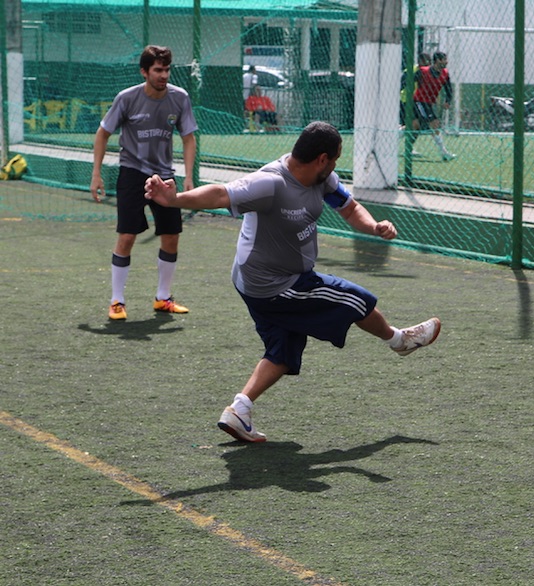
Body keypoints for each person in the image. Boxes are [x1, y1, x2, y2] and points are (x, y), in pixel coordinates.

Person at [143, 121, 442, 442]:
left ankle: (238, 410)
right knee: (355, 300)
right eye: (336, 160)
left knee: (284, 350)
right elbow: (220, 194)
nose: (336, 167)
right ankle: (400, 341)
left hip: (268, 279)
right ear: (322, 158)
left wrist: (374, 226)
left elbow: (350, 208)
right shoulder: (270, 183)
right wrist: (174, 200)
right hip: (271, 284)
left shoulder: (321, 178)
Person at [90, 45, 198, 321]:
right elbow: (102, 134)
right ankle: (117, 301)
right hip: (132, 172)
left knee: (171, 236)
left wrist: (187, 176)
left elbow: (188, 137)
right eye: (158, 70)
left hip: (165, 176)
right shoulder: (127, 98)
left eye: (167, 70)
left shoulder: (180, 98)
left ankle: (163, 298)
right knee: (126, 236)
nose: (163, 75)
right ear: (144, 71)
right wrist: (96, 173)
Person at [411, 51, 456, 161]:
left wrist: (447, 101)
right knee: (434, 124)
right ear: (437, 61)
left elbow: (449, 89)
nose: (446, 62)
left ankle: (399, 146)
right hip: (419, 101)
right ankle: (444, 153)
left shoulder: (445, 74)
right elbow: (408, 80)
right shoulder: (423, 71)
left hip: (429, 103)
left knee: (415, 126)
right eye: (444, 59)